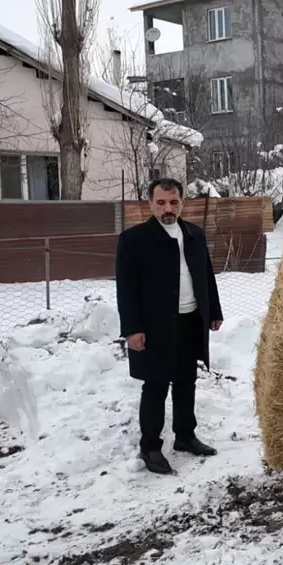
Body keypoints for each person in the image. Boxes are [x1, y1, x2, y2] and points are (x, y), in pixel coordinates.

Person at [115, 178, 224, 475]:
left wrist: (213, 310)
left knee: (186, 381)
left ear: (182, 203)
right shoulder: (134, 240)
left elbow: (206, 275)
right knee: (156, 384)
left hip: (190, 320)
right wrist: (132, 329)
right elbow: (126, 290)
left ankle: (185, 436)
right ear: (150, 204)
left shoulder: (194, 234)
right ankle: (150, 447)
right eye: (161, 202)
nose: (168, 208)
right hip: (154, 326)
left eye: (174, 202)